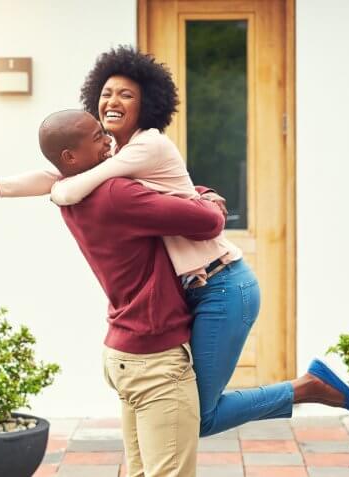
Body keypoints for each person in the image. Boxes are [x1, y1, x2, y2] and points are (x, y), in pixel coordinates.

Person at [0, 46, 349, 440]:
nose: (112, 102)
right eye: (106, 93)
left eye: (126, 95)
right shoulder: (110, 156)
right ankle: (308, 387)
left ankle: (306, 388)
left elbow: (70, 184)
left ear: (147, 103)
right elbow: (57, 175)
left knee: (195, 415)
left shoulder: (145, 145)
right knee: (191, 413)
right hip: (197, 288)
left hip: (222, 285)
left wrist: (62, 191)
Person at [36, 108, 225, 476]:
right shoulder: (116, 193)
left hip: (124, 352)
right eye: (96, 138)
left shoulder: (69, 194)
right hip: (155, 359)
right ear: (70, 157)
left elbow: (158, 201)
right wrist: (209, 197)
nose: (107, 139)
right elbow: (208, 222)